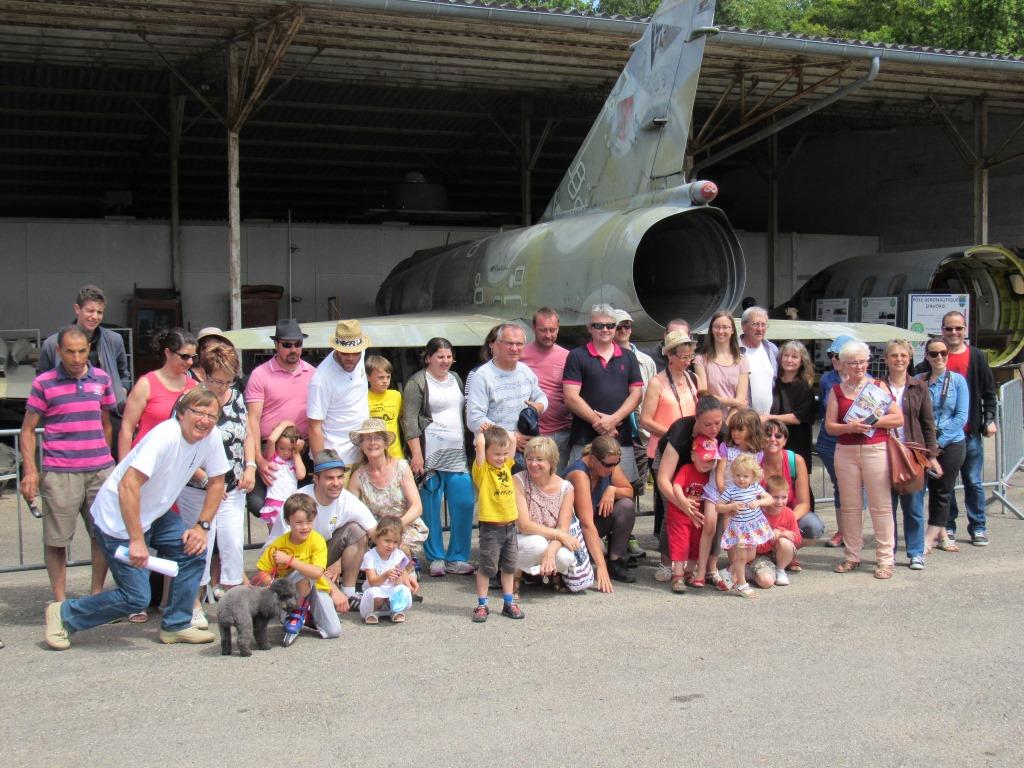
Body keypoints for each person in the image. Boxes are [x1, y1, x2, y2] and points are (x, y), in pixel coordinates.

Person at [43, 388, 230, 650]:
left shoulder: (211, 437)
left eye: (212, 415)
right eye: (198, 412)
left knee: (194, 550)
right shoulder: (164, 437)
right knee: (135, 597)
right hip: (118, 520)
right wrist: (136, 540)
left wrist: (202, 527)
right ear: (181, 413)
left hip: (154, 514)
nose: (205, 420)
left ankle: (176, 625)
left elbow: (218, 482)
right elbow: (128, 486)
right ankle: (63, 614)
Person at [21, 326, 115, 601]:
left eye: (82, 351)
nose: (76, 357)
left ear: (89, 349)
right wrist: (31, 471)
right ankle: (60, 602)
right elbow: (27, 429)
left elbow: (106, 423)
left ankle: (96, 594)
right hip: (61, 472)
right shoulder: (44, 383)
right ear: (59, 351)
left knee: (103, 536)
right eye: (70, 351)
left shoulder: (102, 379)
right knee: (57, 540)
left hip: (99, 471)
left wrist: (106, 458)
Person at [174, 345, 257, 628]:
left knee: (233, 545)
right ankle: (193, 603)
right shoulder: (191, 400)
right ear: (204, 376)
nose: (223, 387)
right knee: (200, 546)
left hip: (232, 486)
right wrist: (206, 479)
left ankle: (234, 604)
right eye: (217, 381)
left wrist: (251, 466)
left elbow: (246, 433)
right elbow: (180, 447)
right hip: (198, 488)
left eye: (228, 381)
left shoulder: (236, 397)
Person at [915, 310, 996, 547]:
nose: (954, 333)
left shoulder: (977, 357)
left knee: (973, 481)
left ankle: (978, 527)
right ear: (942, 330)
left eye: (958, 328)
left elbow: (989, 392)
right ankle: (946, 526)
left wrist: (990, 419)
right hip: (936, 437)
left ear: (965, 330)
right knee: (945, 485)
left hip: (967, 433)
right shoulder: (927, 364)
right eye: (949, 328)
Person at [825, 339, 903, 579]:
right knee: (850, 507)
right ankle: (852, 556)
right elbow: (830, 426)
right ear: (844, 365)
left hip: (875, 448)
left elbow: (898, 418)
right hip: (846, 451)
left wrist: (871, 422)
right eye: (852, 363)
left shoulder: (878, 386)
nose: (858, 367)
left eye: (862, 362)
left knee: (881, 505)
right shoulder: (837, 390)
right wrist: (850, 427)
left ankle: (885, 559)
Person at [402, 337, 476, 577]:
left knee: (464, 503)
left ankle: (458, 557)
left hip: (457, 454)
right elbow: (409, 420)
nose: (445, 361)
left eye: (448, 356)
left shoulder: (455, 378)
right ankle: (435, 558)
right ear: (428, 358)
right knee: (430, 507)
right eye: (440, 356)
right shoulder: (417, 382)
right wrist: (416, 455)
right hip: (429, 454)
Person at [267, 449, 378, 607]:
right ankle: (316, 598)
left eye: (340, 477)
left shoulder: (347, 500)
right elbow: (292, 557)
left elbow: (377, 533)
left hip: (318, 555)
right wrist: (333, 590)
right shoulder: (298, 502)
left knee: (357, 531)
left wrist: (401, 566)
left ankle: (349, 594)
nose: (336, 483)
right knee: (304, 604)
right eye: (329, 478)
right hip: (287, 563)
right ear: (316, 479)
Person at [640, 329, 703, 566]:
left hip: (690, 450)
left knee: (690, 503)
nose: (688, 361)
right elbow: (646, 420)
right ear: (670, 356)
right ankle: (668, 561)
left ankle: (687, 556)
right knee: (671, 507)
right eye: (683, 357)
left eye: (690, 357)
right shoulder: (657, 382)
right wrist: (674, 435)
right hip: (665, 449)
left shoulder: (692, 378)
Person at [655, 394, 729, 589]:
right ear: (696, 420)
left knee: (711, 513)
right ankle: (666, 562)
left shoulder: (723, 433)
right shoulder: (681, 430)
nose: (714, 429)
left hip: (707, 468)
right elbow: (664, 479)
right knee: (673, 512)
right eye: (707, 424)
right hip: (672, 465)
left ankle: (707, 566)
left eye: (717, 423)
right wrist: (682, 503)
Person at [563, 304, 643, 483]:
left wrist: (613, 420)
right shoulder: (576, 356)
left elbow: (637, 394)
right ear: (590, 328)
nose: (605, 329)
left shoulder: (628, 356)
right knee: (583, 489)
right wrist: (601, 423)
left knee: (622, 493)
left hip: (620, 438)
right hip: (585, 439)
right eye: (599, 325)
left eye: (610, 325)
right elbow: (570, 397)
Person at [244, 318, 315, 516]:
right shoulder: (260, 374)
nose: (293, 349)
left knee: (305, 509)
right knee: (262, 506)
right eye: (287, 345)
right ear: (276, 345)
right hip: (270, 449)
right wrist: (259, 459)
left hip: (302, 449)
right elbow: (253, 420)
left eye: (298, 344)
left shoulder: (313, 373)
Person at [882, 339, 941, 569]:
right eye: (894, 355)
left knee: (913, 507)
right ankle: (889, 553)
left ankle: (916, 552)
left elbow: (928, 423)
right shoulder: (877, 387)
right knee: (887, 508)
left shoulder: (919, 387)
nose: (899, 360)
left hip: (912, 454)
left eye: (903, 355)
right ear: (886, 358)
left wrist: (932, 456)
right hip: (884, 452)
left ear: (909, 358)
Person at [254, 493, 343, 639]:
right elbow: (262, 570)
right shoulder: (278, 544)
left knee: (333, 631)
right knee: (301, 573)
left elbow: (317, 573)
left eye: (309, 522)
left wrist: (290, 561)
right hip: (289, 590)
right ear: (288, 521)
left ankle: (304, 613)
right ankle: (297, 612)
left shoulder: (317, 540)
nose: (305, 527)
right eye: (299, 522)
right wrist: (274, 587)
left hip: (314, 586)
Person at [37, 284, 131, 421]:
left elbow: (124, 373)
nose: (95, 316)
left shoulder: (114, 340)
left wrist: (122, 390)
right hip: (69, 417)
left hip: (109, 416)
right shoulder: (52, 344)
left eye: (100, 312)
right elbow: (41, 379)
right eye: (90, 311)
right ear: (77, 309)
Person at [698, 409, 765, 590]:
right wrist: (728, 499)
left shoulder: (757, 453)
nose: (734, 433)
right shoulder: (726, 448)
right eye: (733, 429)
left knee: (736, 537)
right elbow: (720, 477)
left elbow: (755, 480)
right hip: (718, 493)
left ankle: (733, 571)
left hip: (740, 499)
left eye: (740, 429)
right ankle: (702, 570)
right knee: (710, 525)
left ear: (752, 430)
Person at [346, 418, 428, 562]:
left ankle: (407, 570)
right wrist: (376, 532)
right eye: (367, 439)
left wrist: (394, 528)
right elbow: (350, 512)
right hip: (374, 532)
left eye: (377, 438)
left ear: (385, 444)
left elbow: (417, 507)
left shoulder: (401, 467)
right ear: (361, 445)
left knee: (399, 551)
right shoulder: (358, 476)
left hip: (403, 526)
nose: (372, 443)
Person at [465, 321, 547, 463]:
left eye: (519, 344)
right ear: (496, 344)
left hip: (526, 451)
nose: (514, 348)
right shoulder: (483, 376)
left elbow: (540, 396)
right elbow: (475, 419)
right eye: (509, 343)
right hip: (494, 454)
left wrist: (539, 406)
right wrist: (511, 436)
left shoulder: (525, 371)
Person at [920, 336, 970, 557]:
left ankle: (929, 538)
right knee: (920, 489)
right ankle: (943, 535)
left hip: (951, 442)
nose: (939, 357)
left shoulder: (958, 381)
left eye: (943, 353)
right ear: (927, 356)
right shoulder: (919, 380)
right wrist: (928, 445)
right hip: (924, 444)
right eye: (934, 353)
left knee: (942, 490)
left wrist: (939, 442)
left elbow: (961, 416)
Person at [563, 436, 637, 585]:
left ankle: (616, 561)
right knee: (595, 553)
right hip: (572, 530)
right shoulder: (580, 474)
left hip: (593, 523)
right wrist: (601, 566)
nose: (612, 468)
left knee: (626, 506)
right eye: (607, 465)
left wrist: (613, 490)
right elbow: (586, 524)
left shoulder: (610, 465)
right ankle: (595, 557)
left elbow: (629, 491)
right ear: (593, 458)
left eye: (616, 464)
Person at [471, 426, 525, 622]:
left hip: (510, 525)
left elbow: (511, 438)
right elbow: (480, 444)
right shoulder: (482, 470)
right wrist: (481, 432)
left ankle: (508, 602)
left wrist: (496, 428)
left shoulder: (506, 465)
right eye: (496, 454)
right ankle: (482, 604)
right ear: (486, 454)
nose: (501, 458)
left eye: (504, 454)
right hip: (491, 528)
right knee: (487, 567)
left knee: (509, 567)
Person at [118, 328, 198, 459]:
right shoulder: (146, 384)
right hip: (145, 459)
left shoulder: (194, 387)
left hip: (178, 461)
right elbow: (127, 428)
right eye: (184, 356)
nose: (190, 362)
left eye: (193, 357)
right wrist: (122, 469)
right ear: (168, 352)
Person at [513, 436, 578, 587]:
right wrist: (559, 535)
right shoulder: (518, 480)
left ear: (551, 461)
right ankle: (515, 573)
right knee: (537, 544)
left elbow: (563, 528)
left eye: (539, 459)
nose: (533, 464)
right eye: (529, 459)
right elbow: (524, 525)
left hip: (551, 540)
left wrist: (550, 551)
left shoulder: (566, 487)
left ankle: (544, 572)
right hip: (521, 538)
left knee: (565, 557)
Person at [308, 319, 371, 464]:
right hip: (337, 459)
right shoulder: (321, 380)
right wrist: (323, 467)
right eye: (344, 353)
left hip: (363, 451)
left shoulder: (361, 354)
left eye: (355, 353)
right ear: (336, 348)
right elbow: (314, 427)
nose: (350, 358)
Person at [519, 308, 573, 474]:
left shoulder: (568, 356)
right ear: (534, 328)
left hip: (561, 432)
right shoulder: (520, 354)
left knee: (555, 482)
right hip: (530, 433)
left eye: (552, 330)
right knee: (530, 483)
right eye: (543, 330)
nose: (548, 335)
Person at [716, 453, 774, 598]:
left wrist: (759, 502)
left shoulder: (755, 487)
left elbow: (769, 499)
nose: (741, 479)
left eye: (745, 476)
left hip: (753, 527)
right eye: (738, 475)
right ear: (733, 475)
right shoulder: (731, 490)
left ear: (753, 476)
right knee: (742, 558)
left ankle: (730, 573)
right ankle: (741, 585)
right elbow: (718, 507)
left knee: (750, 555)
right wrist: (731, 506)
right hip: (740, 529)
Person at [664, 437, 717, 593]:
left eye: (711, 460)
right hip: (679, 515)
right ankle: (678, 575)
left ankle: (689, 571)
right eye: (704, 459)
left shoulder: (710, 475)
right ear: (694, 456)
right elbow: (677, 486)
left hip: (698, 516)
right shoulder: (686, 469)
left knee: (695, 544)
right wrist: (682, 501)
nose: (707, 463)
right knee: (681, 544)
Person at [613, 309, 657, 490]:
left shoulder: (646, 362)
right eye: (618, 326)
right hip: (615, 433)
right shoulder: (606, 359)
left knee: (636, 487)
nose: (623, 330)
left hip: (640, 435)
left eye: (627, 326)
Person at [818, 335, 853, 548]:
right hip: (830, 441)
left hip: (854, 441)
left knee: (855, 488)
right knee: (839, 485)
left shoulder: (865, 379)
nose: (833, 359)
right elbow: (826, 411)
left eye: (837, 355)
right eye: (831, 355)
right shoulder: (827, 380)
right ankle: (843, 531)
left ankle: (853, 531)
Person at [760, 420, 819, 541]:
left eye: (778, 436)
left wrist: (784, 521)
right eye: (767, 435)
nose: (772, 439)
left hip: (789, 514)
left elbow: (804, 504)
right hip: (761, 516)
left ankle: (786, 550)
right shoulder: (752, 462)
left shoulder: (796, 461)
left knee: (813, 526)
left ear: (785, 441)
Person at [359, 515, 418, 624]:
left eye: (395, 542)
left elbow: (400, 582)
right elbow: (372, 582)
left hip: (391, 590)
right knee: (374, 594)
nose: (391, 546)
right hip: (377, 590)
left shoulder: (398, 555)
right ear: (376, 538)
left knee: (403, 590)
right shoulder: (370, 556)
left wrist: (402, 579)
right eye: (387, 541)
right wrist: (386, 575)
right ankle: (373, 611)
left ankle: (394, 610)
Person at [769, 340, 815, 472]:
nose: (789, 360)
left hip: (796, 440)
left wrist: (767, 417)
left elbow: (798, 417)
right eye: (786, 356)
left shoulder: (805, 385)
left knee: (796, 478)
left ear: (802, 361)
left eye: (794, 357)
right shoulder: (773, 381)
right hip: (773, 438)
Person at [751, 474, 803, 588]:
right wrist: (771, 536)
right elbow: (756, 547)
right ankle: (750, 572)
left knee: (785, 542)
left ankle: (780, 570)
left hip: (781, 554)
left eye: (783, 497)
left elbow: (798, 540)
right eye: (775, 497)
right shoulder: (758, 514)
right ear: (766, 496)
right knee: (766, 582)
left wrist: (780, 532)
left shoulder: (789, 513)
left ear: (788, 495)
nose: (780, 502)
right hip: (760, 556)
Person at [695, 310, 749, 414]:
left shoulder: (742, 361)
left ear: (732, 330)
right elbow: (704, 396)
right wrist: (735, 402)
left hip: (736, 422)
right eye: (716, 327)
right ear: (711, 330)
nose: (720, 331)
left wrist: (727, 425)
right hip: (711, 421)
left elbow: (741, 399)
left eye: (725, 327)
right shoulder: (700, 360)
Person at [258, 422, 306, 530]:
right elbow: (271, 440)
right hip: (275, 502)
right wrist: (284, 424)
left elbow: (301, 475)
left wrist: (296, 452)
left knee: (291, 537)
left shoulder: (293, 461)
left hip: (291, 504)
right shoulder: (272, 458)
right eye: (282, 448)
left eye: (289, 449)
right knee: (275, 538)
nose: (285, 452)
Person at [737, 306, 779, 416]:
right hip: (744, 419)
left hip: (768, 420)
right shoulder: (734, 350)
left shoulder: (772, 349)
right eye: (755, 324)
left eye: (763, 324)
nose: (760, 329)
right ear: (743, 326)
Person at [365, 355, 404, 459]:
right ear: (368, 377)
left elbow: (404, 419)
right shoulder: (362, 398)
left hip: (396, 455)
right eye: (381, 377)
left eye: (388, 377)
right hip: (373, 456)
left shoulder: (396, 395)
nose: (385, 381)